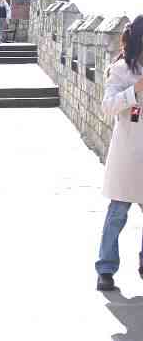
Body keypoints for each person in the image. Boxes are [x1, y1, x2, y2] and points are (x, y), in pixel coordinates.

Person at [95, 15, 143, 291]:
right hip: (128, 150)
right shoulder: (122, 69)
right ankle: (105, 268)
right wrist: (134, 91)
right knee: (117, 213)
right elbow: (108, 106)